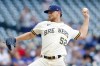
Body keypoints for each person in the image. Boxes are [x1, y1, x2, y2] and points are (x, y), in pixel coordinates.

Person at [6, 5, 90, 66]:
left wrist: (86, 18)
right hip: (43, 61)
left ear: (58, 13)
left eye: (51, 12)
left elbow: (82, 35)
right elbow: (30, 35)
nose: (49, 14)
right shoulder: (43, 24)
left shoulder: (67, 28)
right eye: (48, 12)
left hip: (58, 62)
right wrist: (15, 39)